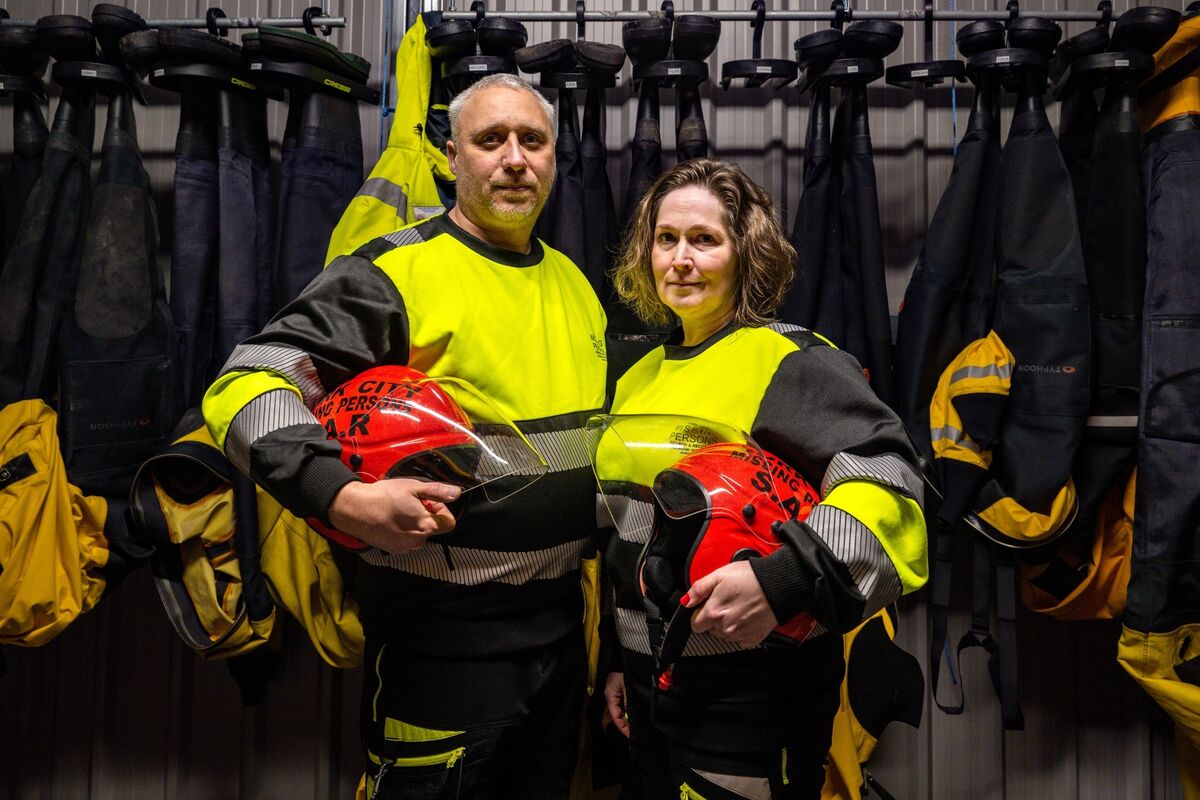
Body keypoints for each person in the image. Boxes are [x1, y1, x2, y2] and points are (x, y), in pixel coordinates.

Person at [201, 73, 607, 799]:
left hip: (558, 641)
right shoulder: (395, 270)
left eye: (532, 140)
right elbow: (246, 382)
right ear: (451, 157)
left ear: (553, 156)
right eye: (490, 141)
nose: (514, 158)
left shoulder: (576, 284)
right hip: (439, 651)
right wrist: (343, 496)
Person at [600, 159, 928, 799]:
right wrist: (619, 661)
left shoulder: (789, 361)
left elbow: (891, 484)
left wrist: (783, 580)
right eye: (666, 239)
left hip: (751, 700)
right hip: (648, 696)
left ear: (745, 253)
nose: (681, 259)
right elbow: (628, 538)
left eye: (704, 240)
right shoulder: (638, 377)